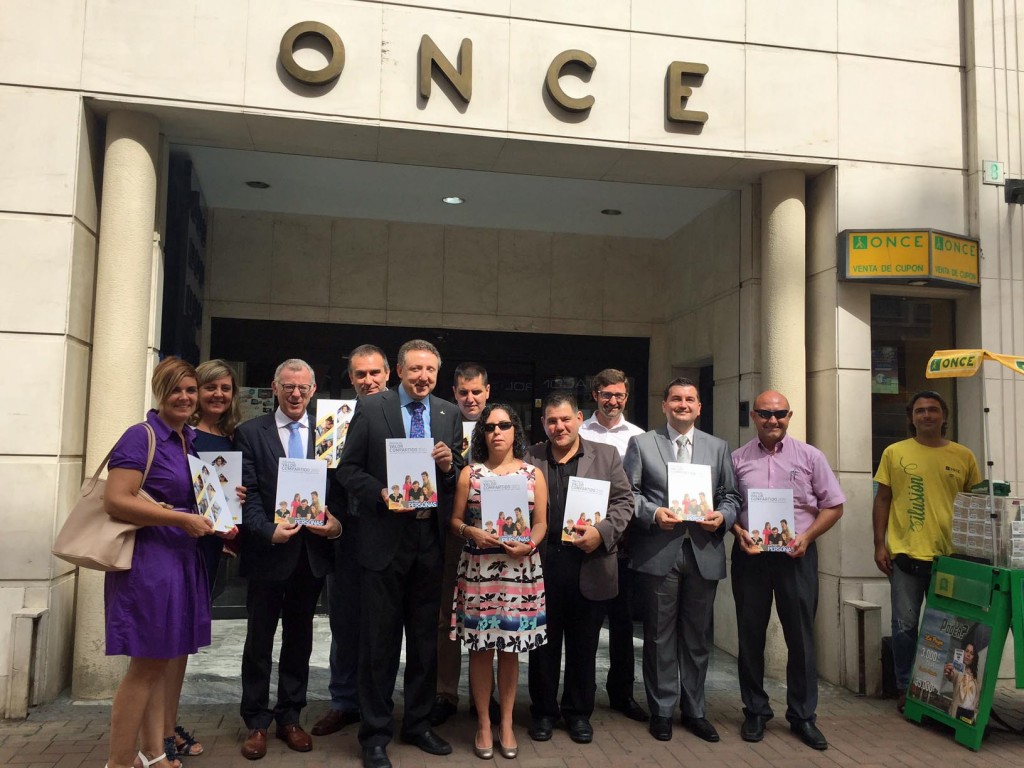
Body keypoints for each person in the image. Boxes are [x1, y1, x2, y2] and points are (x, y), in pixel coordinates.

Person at [337, 339, 464, 768]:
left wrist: (449, 468)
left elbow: (456, 481)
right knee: (380, 642)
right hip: (384, 543)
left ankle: (418, 724)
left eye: (430, 370)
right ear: (399, 370)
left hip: (430, 543)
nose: (423, 377)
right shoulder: (373, 409)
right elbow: (349, 469)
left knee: (425, 642)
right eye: (415, 369)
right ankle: (374, 734)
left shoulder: (448, 414)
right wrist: (381, 493)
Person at [102, 357, 219, 768]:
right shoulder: (142, 436)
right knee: (147, 665)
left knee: (161, 660)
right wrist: (180, 518)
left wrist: (220, 506)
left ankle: (152, 752)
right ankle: (118, 762)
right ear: (160, 392)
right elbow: (116, 499)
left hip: (181, 559)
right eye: (176, 390)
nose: (185, 398)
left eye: (191, 390)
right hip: (149, 564)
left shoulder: (188, 438)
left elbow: (192, 498)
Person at [235, 359, 342, 760]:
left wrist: (334, 525)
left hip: (310, 556)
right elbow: (247, 495)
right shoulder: (249, 432)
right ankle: (256, 723)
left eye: (303, 387)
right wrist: (267, 531)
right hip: (268, 553)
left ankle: (290, 718)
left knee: (299, 641)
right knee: (259, 641)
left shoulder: (329, 433)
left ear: (313, 390)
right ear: (275, 389)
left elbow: (341, 490)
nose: (296, 394)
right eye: (288, 386)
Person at [624, 378, 740, 743]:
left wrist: (723, 516)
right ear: (664, 405)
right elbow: (629, 493)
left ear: (700, 407)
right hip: (660, 551)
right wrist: (654, 513)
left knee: (697, 637)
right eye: (676, 398)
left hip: (703, 550)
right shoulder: (642, 444)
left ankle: (695, 710)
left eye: (690, 399)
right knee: (659, 637)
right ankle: (661, 710)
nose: (683, 404)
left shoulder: (718, 447)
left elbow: (731, 495)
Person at [730, 391, 845, 750]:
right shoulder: (736, 459)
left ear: (789, 415)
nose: (773, 420)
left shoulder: (811, 457)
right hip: (751, 556)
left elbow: (834, 505)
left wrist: (808, 537)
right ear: (754, 416)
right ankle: (756, 710)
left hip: (797, 555)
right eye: (765, 413)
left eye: (779, 414)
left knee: (801, 638)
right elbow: (728, 505)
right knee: (750, 635)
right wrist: (738, 531)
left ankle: (802, 716)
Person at [525, 392, 634, 745]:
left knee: (584, 646)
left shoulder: (606, 456)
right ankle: (542, 712)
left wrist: (602, 534)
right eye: (552, 421)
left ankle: (577, 713)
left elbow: (624, 501)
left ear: (579, 418)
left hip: (590, 563)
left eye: (565, 419)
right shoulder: (531, 456)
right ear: (544, 424)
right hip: (542, 565)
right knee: (542, 647)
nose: (559, 427)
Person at [450, 404, 548, 759]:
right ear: (482, 433)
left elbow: (541, 523)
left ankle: (506, 722)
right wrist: (469, 530)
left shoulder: (533, 474)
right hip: (480, 570)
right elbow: (455, 521)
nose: (497, 431)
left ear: (515, 430)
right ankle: (483, 724)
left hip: (519, 571)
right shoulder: (469, 474)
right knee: (479, 649)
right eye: (489, 426)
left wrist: (530, 544)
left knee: (510, 650)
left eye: (504, 425)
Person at [872, 390, 981, 711]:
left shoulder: (964, 456)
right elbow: (882, 500)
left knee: (948, 630)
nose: (927, 415)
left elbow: (974, 507)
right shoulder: (894, 452)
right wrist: (880, 543)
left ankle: (940, 689)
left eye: (933, 410)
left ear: (944, 416)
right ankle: (907, 687)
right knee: (905, 629)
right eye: (920, 411)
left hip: (951, 559)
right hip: (905, 556)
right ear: (911, 418)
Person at [167, 359, 245, 760]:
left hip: (212, 546)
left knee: (183, 644)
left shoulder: (231, 437)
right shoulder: (184, 435)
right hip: (181, 547)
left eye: (225, 388)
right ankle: (161, 732)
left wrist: (237, 502)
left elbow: (221, 494)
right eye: (209, 387)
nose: (218, 395)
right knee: (169, 642)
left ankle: (166, 725)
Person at [314, 344, 391, 738]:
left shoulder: (401, 416)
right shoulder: (331, 420)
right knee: (344, 624)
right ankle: (344, 702)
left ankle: (378, 701)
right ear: (350, 379)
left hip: (388, 536)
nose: (368, 380)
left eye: (374, 373)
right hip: (342, 534)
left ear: (388, 374)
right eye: (360, 375)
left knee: (381, 628)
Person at [579, 368, 648, 722]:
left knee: (623, 623)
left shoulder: (639, 437)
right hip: (584, 540)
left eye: (619, 395)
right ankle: (581, 694)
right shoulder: (577, 431)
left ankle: (622, 692)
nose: (613, 401)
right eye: (607, 394)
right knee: (586, 625)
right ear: (596, 396)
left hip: (624, 543)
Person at [432, 363, 493, 726]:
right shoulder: (441, 422)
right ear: (454, 393)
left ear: (488, 391)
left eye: (477, 392)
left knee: (490, 616)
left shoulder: (502, 425)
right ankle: (445, 692)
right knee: (446, 617)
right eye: (463, 392)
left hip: (493, 536)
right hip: (450, 532)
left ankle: (486, 695)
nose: (470, 398)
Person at [945, 642, 979, 722]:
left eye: (971, 653)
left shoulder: (975, 676)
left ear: (974, 657)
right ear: (962, 653)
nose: (968, 655)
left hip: (970, 714)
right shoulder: (958, 669)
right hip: (958, 711)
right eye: (966, 651)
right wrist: (948, 672)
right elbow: (952, 675)